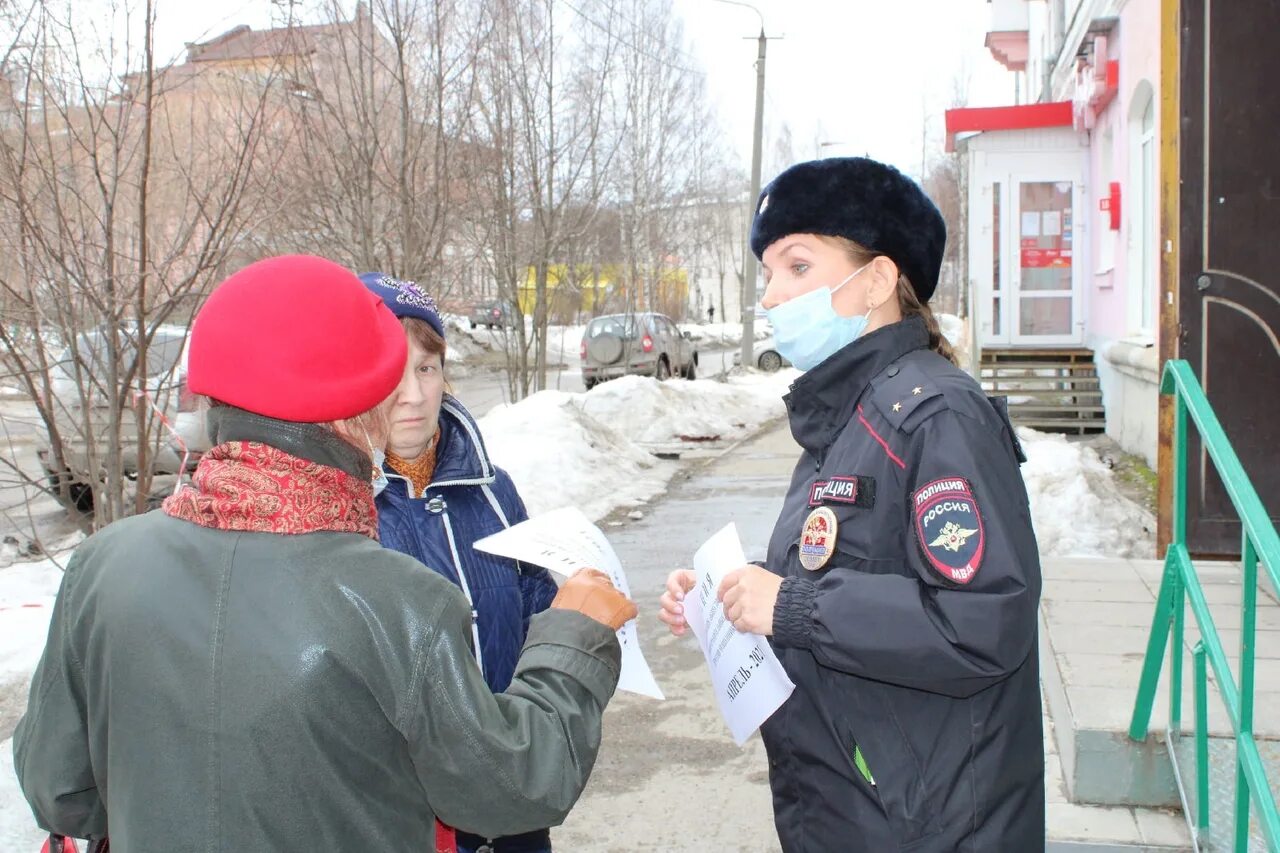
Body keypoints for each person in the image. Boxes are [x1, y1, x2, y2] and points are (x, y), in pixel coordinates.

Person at [13, 255, 636, 852]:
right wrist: (572, 639)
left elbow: (61, 793)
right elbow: (514, 787)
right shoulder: (398, 601)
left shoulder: (101, 567)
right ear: (357, 413)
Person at [659, 157, 1045, 851]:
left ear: (876, 280)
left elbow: (983, 618)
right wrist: (735, 593)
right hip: (851, 817)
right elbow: (844, 567)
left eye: (797, 267)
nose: (773, 296)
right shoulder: (850, 417)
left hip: (934, 829)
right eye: (769, 274)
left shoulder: (937, 418)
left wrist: (793, 605)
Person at [358, 272, 560, 853]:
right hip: (402, 816)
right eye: (393, 372)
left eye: (426, 368)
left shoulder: (494, 490)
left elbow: (532, 609)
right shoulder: (339, 506)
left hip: (507, 800)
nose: (414, 394)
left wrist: (575, 621)